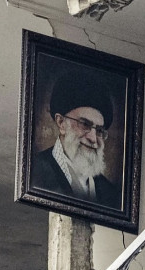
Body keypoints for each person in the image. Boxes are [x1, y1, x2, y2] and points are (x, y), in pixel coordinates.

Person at [32, 73, 121, 209]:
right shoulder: (34, 170)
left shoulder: (111, 193)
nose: (93, 138)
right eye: (85, 124)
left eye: (99, 131)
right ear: (61, 123)